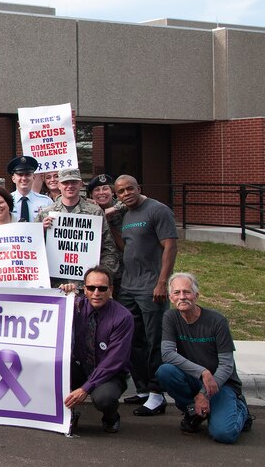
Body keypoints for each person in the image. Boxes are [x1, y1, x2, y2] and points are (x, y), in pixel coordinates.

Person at [157, 273, 252, 443]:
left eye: (187, 292)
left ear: (196, 295)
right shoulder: (170, 318)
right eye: (177, 292)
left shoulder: (217, 321)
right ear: (170, 297)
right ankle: (194, 411)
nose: (182, 297)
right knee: (165, 372)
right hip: (196, 378)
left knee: (224, 435)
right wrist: (202, 372)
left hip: (222, 383)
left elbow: (226, 365)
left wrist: (204, 394)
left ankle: (241, 410)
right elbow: (167, 354)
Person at [114, 175, 178, 416]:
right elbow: (126, 246)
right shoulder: (127, 215)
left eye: (130, 188)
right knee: (133, 339)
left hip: (151, 287)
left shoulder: (158, 210)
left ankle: (156, 393)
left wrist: (163, 283)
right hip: (129, 287)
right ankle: (142, 389)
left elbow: (170, 246)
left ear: (139, 188)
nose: (126, 193)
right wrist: (112, 225)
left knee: (154, 340)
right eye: (120, 191)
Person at [58, 267, 134, 434]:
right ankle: (67, 417)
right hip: (80, 365)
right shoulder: (75, 305)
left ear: (111, 290)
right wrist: (62, 294)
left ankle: (111, 417)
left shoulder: (123, 317)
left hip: (110, 373)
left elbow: (114, 361)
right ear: (84, 289)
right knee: (51, 378)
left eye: (102, 288)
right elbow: (49, 308)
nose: (96, 293)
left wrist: (85, 388)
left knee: (104, 398)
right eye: (91, 288)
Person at [37, 168, 119, 288]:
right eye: (65, 183)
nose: (70, 186)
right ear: (59, 185)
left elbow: (109, 249)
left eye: (74, 182)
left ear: (81, 184)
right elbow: (33, 250)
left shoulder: (94, 212)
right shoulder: (46, 214)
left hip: (87, 287)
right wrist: (40, 230)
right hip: (55, 285)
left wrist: (101, 278)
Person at [87, 174, 126, 281]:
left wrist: (114, 209)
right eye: (97, 190)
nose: (101, 193)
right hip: (98, 267)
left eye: (105, 189)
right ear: (91, 195)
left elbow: (142, 198)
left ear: (112, 191)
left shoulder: (122, 206)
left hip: (124, 266)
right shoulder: (89, 210)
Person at [7, 156, 52, 222]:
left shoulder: (46, 202)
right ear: (13, 178)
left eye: (27, 174)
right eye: (20, 175)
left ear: (33, 177)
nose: (24, 178)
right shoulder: (6, 201)